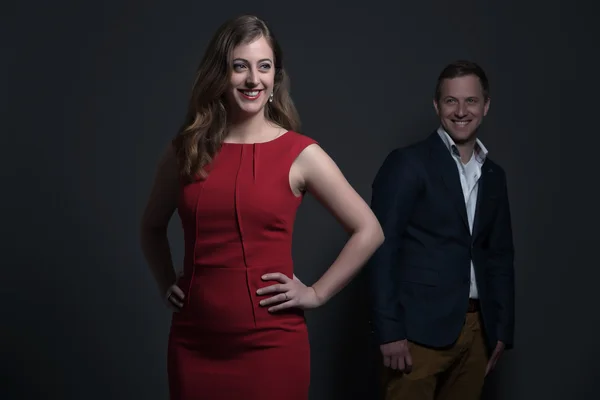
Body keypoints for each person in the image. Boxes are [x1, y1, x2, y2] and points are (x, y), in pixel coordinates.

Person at [139, 14, 384, 400]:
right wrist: (166, 279)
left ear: (275, 78)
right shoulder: (185, 151)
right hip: (194, 343)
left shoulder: (300, 153)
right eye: (240, 66)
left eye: (264, 67)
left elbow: (369, 230)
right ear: (220, 74)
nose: (253, 79)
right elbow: (151, 227)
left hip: (271, 345)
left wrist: (316, 293)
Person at [367, 60, 515, 400]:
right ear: (437, 106)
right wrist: (389, 331)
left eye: (471, 101)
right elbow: (380, 248)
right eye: (451, 101)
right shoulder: (407, 163)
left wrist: (502, 330)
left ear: (486, 106)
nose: (461, 111)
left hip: (479, 332)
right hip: (416, 333)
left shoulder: (495, 175)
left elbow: (500, 255)